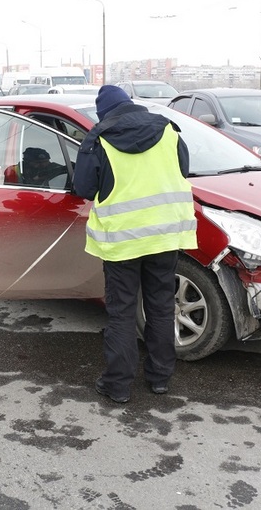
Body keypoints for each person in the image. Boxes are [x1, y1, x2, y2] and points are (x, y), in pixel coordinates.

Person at [73, 85, 197, 403]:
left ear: (104, 113)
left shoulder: (98, 139)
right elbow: (182, 170)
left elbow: (84, 188)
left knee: (122, 313)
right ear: (130, 105)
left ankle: (117, 385)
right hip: (165, 236)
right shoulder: (169, 130)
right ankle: (159, 379)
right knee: (160, 307)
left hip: (122, 241)